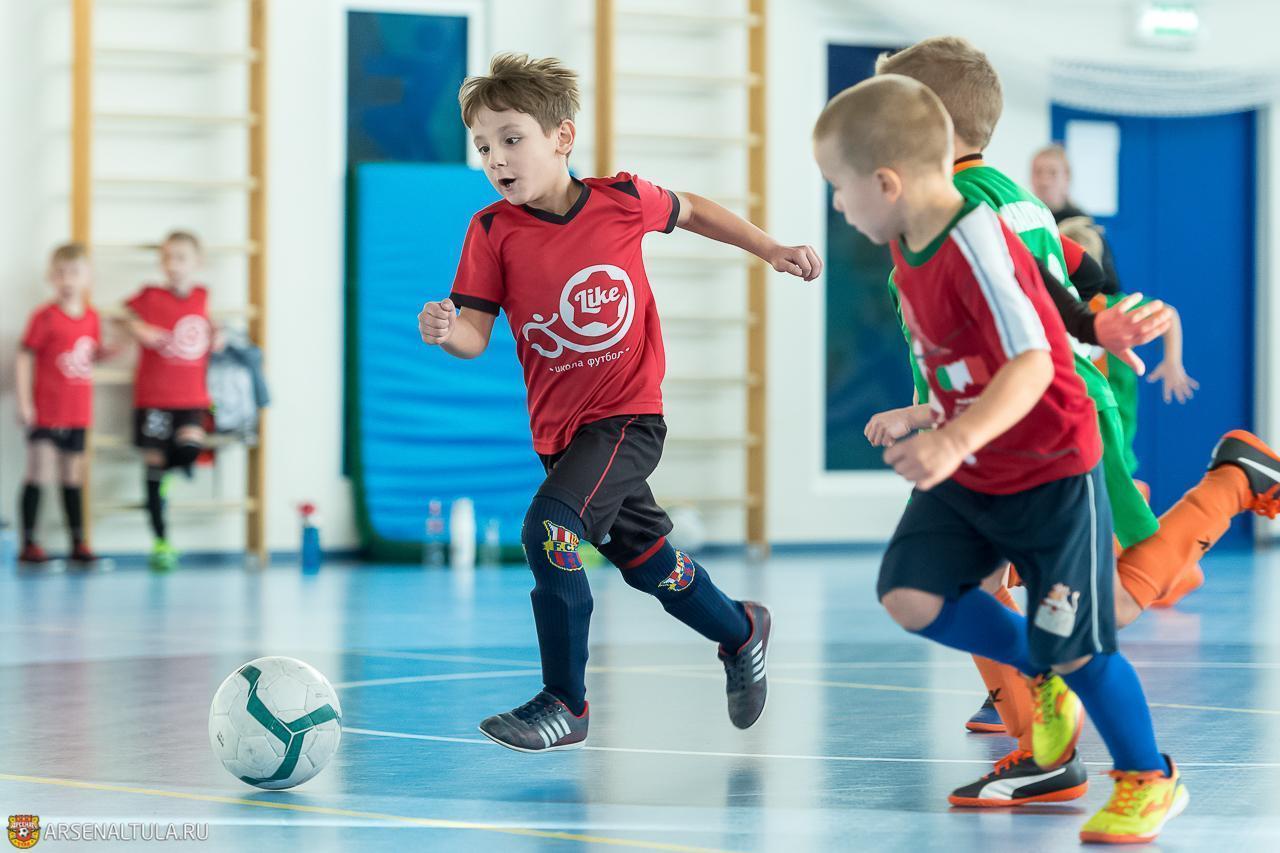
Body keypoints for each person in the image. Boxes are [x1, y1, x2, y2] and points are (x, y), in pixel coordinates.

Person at [865, 35, 1280, 810]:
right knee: (973, 588)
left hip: (1045, 415)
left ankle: (1230, 485)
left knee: (1099, 606)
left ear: (928, 128)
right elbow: (1072, 270)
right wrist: (1087, 321)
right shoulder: (991, 194)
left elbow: (1040, 300)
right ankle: (1043, 738)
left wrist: (1088, 329)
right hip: (1000, 416)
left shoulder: (973, 203)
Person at [814, 73, 1188, 844]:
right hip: (976, 462)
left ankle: (1149, 776)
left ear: (886, 182)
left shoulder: (972, 238)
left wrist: (950, 439)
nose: (838, 206)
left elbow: (1032, 363)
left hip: (1049, 467)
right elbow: (1035, 296)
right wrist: (932, 415)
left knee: (1080, 645)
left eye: (839, 188)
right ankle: (1039, 667)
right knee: (910, 595)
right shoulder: (908, 244)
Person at [417, 53, 820, 752]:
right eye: (483, 147)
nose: (496, 158)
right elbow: (475, 337)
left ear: (562, 137)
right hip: (561, 437)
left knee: (549, 529)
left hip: (629, 417)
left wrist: (769, 248)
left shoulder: (623, 199)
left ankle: (565, 703)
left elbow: (695, 211)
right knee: (648, 560)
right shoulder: (490, 231)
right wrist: (447, 330)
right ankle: (741, 629)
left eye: (511, 139)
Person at [118, 231, 221, 572]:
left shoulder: (202, 296)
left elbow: (210, 323)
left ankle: (171, 472)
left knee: (190, 449)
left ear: (197, 262)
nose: (172, 265)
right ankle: (161, 541)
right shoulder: (150, 295)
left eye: (180, 258)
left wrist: (218, 333)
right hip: (155, 397)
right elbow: (121, 315)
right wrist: (139, 330)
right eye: (166, 258)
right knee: (153, 467)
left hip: (191, 396)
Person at [15, 242, 104, 564]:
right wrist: (25, 402)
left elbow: (88, 356)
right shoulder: (44, 317)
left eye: (74, 273)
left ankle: (78, 543)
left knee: (73, 477)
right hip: (47, 412)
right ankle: (29, 544)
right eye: (60, 274)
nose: (67, 280)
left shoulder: (92, 318)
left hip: (77, 412)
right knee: (39, 472)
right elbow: (25, 357)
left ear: (87, 277)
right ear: (51, 277)